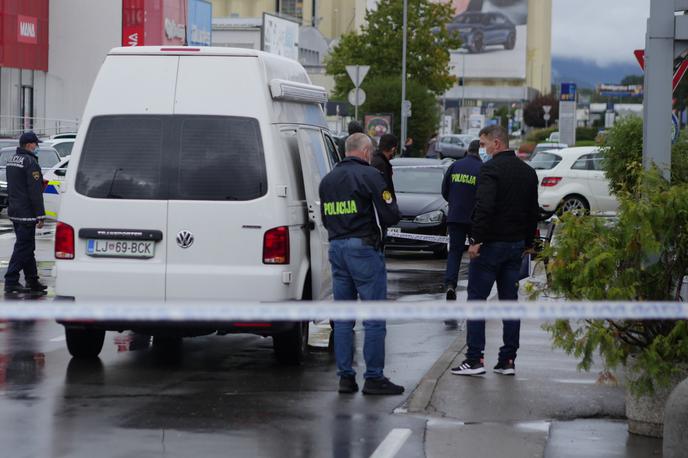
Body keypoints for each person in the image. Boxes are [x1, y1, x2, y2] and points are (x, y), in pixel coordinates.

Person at [319, 133, 404, 395]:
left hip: (337, 248)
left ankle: (346, 378)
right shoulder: (370, 176)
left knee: (343, 318)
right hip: (363, 249)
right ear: (366, 152)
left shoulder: (327, 180)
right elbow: (391, 214)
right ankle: (374, 378)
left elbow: (325, 218)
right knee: (374, 317)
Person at [451, 125, 539, 377]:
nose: (484, 149)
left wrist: (476, 240)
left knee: (477, 301)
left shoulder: (489, 169)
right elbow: (533, 210)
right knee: (510, 303)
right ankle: (508, 359)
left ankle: (474, 359)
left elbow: (484, 206)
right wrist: (528, 243)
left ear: (497, 143)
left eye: (484, 143)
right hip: (515, 247)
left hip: (490, 246)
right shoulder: (528, 172)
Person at [441, 139, 482, 328]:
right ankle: (474, 289)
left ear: (467, 150)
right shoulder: (482, 169)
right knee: (475, 254)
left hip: (455, 216)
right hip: (474, 219)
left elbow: (444, 190)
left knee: (455, 253)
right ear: (479, 151)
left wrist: (455, 202)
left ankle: (450, 285)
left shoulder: (455, 166)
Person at [4, 132, 48, 295]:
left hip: (15, 210)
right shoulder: (30, 162)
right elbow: (35, 191)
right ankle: (11, 280)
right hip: (26, 213)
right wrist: (40, 215)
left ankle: (32, 279)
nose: (37, 147)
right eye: (36, 144)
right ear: (29, 145)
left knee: (27, 246)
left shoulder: (12, 160)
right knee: (24, 247)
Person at [370, 133, 397, 201]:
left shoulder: (375, 160)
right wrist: (390, 204)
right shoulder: (381, 164)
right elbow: (383, 189)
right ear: (393, 149)